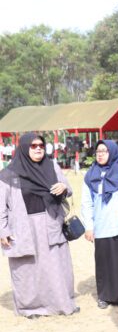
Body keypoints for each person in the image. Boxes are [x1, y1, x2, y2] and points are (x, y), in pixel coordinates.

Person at [0, 133, 78, 318]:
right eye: (33, 146)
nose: (38, 149)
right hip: (23, 227)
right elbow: (1, 205)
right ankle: (31, 308)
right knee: (27, 267)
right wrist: (3, 230)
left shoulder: (52, 166)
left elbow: (68, 189)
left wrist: (63, 188)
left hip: (50, 224)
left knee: (55, 266)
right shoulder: (9, 174)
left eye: (41, 145)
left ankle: (60, 304)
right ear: (24, 148)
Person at [81, 140, 118, 309]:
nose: (100, 154)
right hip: (101, 227)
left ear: (113, 152)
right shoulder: (90, 175)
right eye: (98, 151)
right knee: (103, 264)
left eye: (104, 151)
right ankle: (104, 296)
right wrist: (89, 226)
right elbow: (86, 203)